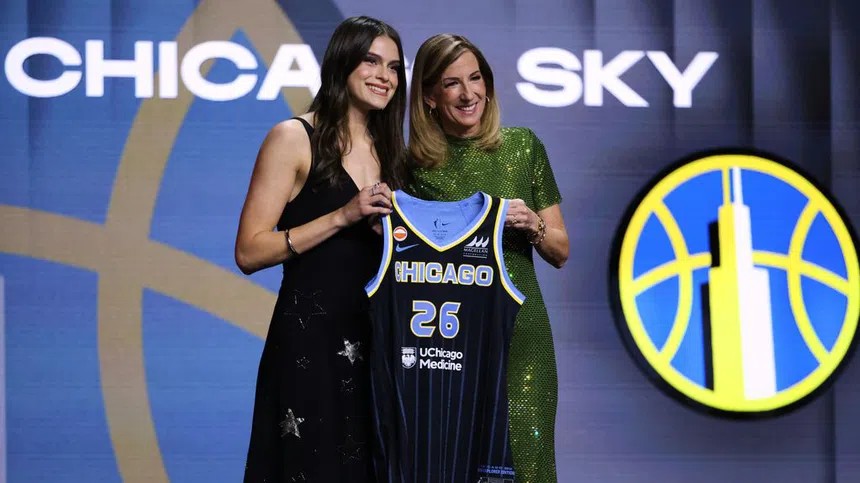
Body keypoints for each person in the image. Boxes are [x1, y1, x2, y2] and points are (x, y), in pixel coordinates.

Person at [234, 16, 408, 482]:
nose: (384, 76)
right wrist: (342, 216)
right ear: (341, 63)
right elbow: (249, 251)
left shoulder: (394, 153)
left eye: (394, 67)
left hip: (379, 347)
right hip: (310, 344)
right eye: (371, 61)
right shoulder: (293, 137)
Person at [407, 33, 570, 483]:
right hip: (448, 341)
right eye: (452, 83)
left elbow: (560, 251)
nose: (468, 93)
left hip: (521, 338)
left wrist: (533, 225)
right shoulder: (411, 167)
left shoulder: (523, 147)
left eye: (475, 78)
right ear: (429, 97)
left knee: (528, 465)